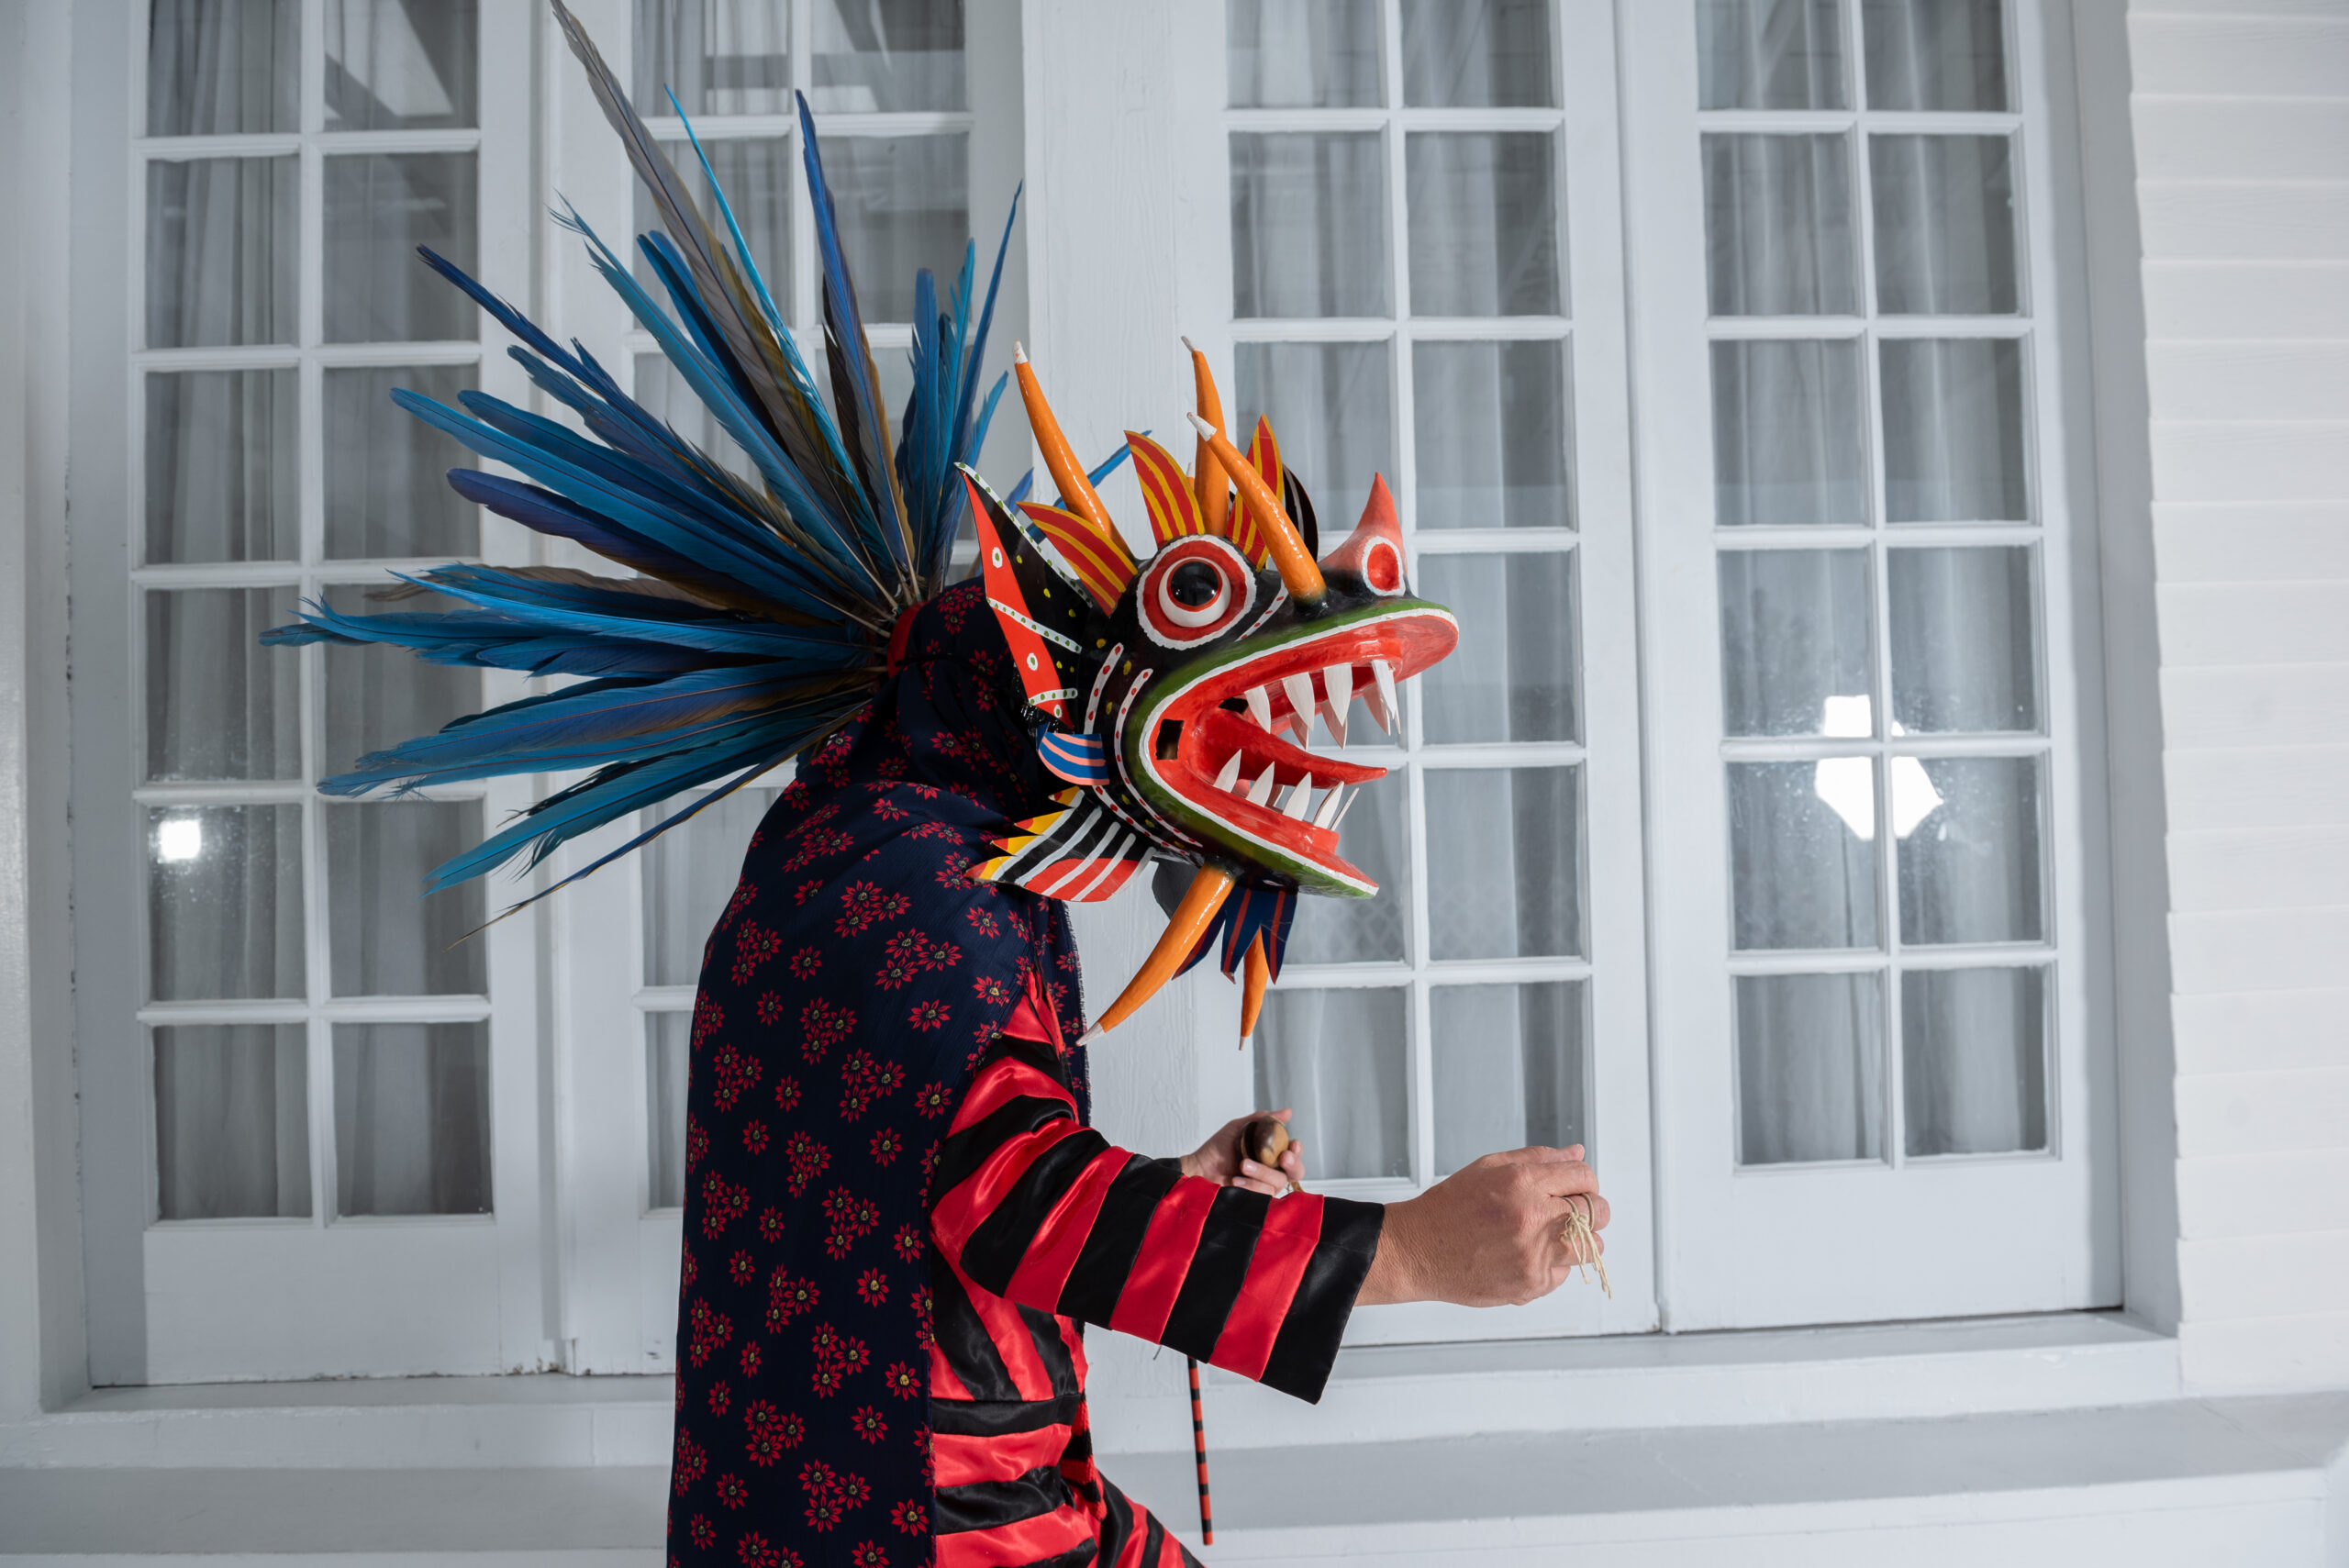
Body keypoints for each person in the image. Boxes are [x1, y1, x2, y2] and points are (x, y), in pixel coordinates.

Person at [262, 7, 1609, 1564]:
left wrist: (1178, 1188)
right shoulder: (907, 890)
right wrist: (1416, 1252)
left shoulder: (887, 846)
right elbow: (1017, 1209)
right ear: (1044, 654)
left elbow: (933, 1190)